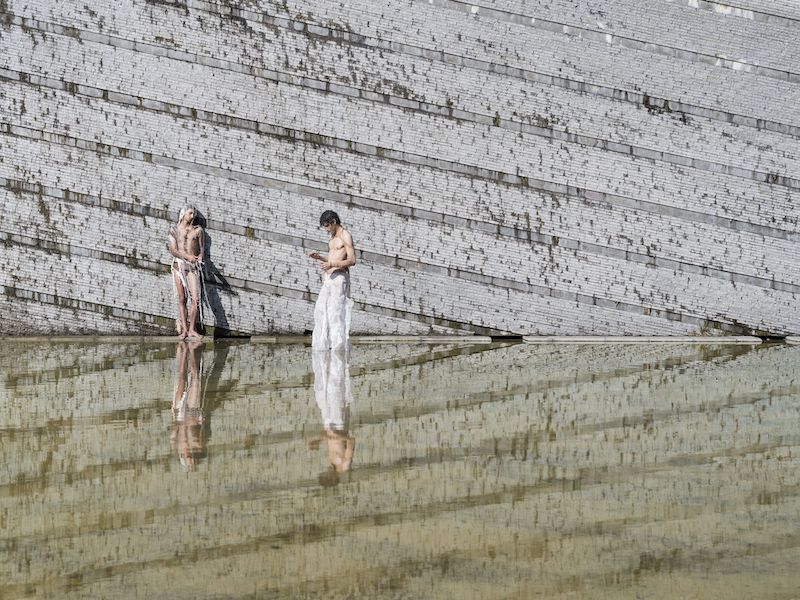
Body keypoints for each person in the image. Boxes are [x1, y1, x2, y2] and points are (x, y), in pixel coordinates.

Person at [308, 210, 356, 351]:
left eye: (327, 226)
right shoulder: (333, 236)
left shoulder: (345, 235)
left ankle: (338, 349)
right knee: (322, 313)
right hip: (328, 279)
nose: (326, 229)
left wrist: (332, 264)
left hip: (339, 279)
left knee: (336, 315)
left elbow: (352, 260)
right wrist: (320, 257)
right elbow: (332, 259)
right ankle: (326, 348)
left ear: (334, 222)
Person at [308, 350, 355, 487]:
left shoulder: (332, 463)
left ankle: (328, 361)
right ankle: (337, 361)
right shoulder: (344, 465)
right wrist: (333, 437)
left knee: (324, 393)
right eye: (325, 474)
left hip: (329, 425)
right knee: (335, 394)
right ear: (332, 477)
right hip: (339, 424)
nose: (325, 470)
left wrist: (318, 440)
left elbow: (332, 440)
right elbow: (351, 441)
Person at [170, 339, 208, 471]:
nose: (191, 460)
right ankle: (191, 350)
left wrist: (175, 424)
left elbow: (173, 430)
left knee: (182, 377)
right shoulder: (198, 446)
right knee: (195, 378)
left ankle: (186, 350)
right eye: (192, 461)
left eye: (189, 461)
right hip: (193, 414)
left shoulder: (177, 446)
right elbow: (202, 431)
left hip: (180, 414)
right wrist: (202, 420)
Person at [167, 205, 205, 340]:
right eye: (190, 213)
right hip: (178, 266)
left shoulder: (198, 231)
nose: (193, 215)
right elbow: (172, 250)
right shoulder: (174, 230)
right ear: (183, 214)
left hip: (193, 268)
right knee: (182, 298)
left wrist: (199, 257)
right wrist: (187, 257)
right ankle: (184, 330)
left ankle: (192, 329)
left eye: (194, 213)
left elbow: (201, 249)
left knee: (196, 299)